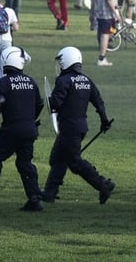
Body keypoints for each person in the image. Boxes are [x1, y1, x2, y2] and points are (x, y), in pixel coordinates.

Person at [0, 46, 44, 211]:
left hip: (11, 131)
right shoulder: (31, 82)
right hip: (29, 130)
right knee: (25, 163)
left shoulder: (3, 83)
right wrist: (29, 120)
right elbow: (39, 105)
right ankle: (34, 199)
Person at [41, 47, 115, 205]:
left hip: (69, 128)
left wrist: (47, 100)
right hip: (80, 127)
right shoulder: (86, 80)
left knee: (74, 162)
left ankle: (103, 185)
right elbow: (99, 101)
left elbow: (55, 103)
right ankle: (49, 193)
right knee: (57, 158)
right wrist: (104, 120)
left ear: (66, 61)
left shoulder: (64, 81)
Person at [90, 0, 120, 66]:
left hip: (98, 12)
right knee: (106, 34)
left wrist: (92, 12)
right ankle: (102, 57)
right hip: (106, 13)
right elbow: (110, 0)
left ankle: (103, 56)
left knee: (106, 32)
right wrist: (116, 14)